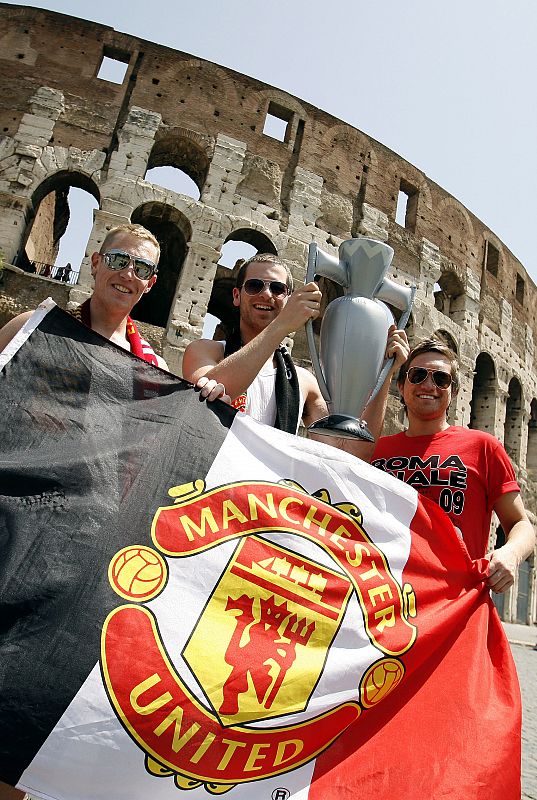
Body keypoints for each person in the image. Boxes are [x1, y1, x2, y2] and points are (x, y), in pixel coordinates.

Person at [182, 252, 409, 459]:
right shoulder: (206, 350)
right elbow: (207, 392)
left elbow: (351, 452)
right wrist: (282, 324)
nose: (266, 294)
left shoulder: (304, 381)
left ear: (288, 298)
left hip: (262, 497)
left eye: (277, 289)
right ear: (236, 295)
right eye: (254, 286)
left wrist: (385, 374)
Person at [371, 338, 535, 592]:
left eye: (441, 379)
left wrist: (511, 554)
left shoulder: (483, 447)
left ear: (454, 391)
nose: (428, 385)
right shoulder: (375, 451)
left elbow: (520, 524)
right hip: (383, 597)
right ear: (401, 385)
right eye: (418, 375)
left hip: (452, 602)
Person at [0, 224, 167, 370]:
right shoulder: (30, 328)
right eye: (118, 260)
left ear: (150, 284)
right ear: (95, 263)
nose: (128, 274)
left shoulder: (155, 368)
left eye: (143, 268)